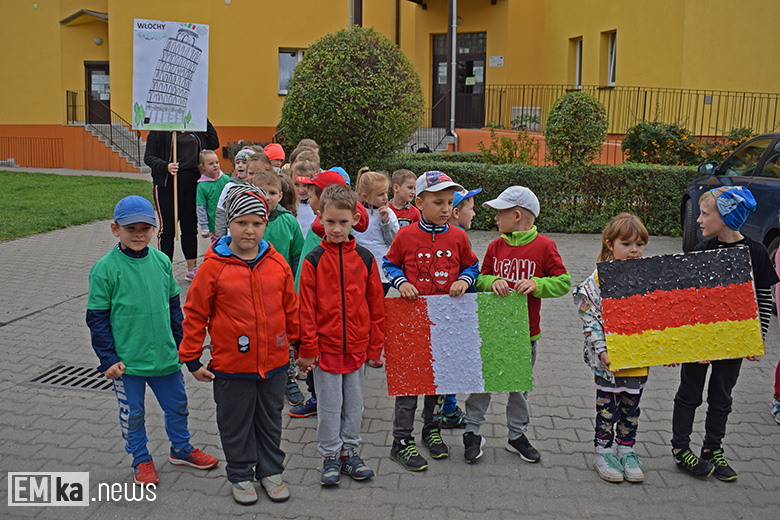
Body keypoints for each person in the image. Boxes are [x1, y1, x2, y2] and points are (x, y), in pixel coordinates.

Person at [179, 185, 300, 505]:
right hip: (232, 366)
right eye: (242, 222)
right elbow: (195, 313)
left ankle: (270, 471)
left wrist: (301, 346)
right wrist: (191, 358)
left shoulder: (277, 263)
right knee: (235, 423)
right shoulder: (213, 266)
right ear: (229, 224)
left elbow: (291, 307)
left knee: (270, 420)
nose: (250, 230)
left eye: (257, 223)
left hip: (274, 364)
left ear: (265, 224)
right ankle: (241, 473)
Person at [86, 196, 218, 487]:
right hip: (127, 362)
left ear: (154, 228)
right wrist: (107, 359)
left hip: (164, 357)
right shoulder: (104, 269)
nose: (138, 234)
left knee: (178, 406)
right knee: (133, 413)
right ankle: (141, 458)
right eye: (130, 228)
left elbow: (175, 312)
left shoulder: (161, 261)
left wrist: (188, 354)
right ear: (115, 229)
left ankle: (180, 449)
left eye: (145, 228)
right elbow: (97, 319)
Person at [671, 186, 778, 481]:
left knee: (722, 396)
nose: (699, 220)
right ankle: (681, 448)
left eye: (706, 214)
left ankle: (712, 449)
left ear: (728, 217)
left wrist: (757, 339)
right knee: (689, 394)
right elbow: (688, 301)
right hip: (699, 342)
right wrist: (686, 344)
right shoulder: (701, 251)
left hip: (734, 341)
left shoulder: (756, 253)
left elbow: (762, 298)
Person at [464, 186, 571, 465]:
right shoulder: (495, 247)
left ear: (517, 215)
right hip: (493, 331)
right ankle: (472, 431)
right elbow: (481, 278)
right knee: (482, 383)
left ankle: (516, 435)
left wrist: (537, 284)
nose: (495, 218)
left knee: (519, 389)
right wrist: (492, 282)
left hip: (526, 335)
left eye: (499, 213)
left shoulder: (545, 246)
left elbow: (563, 282)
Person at [383, 171, 480, 471]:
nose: (446, 208)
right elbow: (389, 263)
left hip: (447, 322)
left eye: (450, 202)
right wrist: (401, 282)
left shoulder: (459, 236)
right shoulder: (405, 235)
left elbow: (472, 266)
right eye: (438, 202)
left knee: (439, 380)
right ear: (420, 202)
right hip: (412, 322)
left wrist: (464, 280)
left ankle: (431, 429)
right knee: (409, 382)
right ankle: (401, 440)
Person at [297, 184, 385, 486]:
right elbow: (306, 309)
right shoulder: (313, 260)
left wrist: (375, 347)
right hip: (326, 349)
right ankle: (331, 455)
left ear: (355, 221)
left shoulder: (365, 258)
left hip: (358, 348)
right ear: (320, 217)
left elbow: (376, 305)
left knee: (354, 406)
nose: (336, 229)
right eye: (330, 221)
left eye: (343, 222)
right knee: (329, 407)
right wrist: (308, 349)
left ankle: (349, 452)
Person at [573, 213, 650, 483]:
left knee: (632, 408)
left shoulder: (648, 278)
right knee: (607, 409)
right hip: (608, 361)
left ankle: (627, 451)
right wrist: (601, 349)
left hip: (638, 360)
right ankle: (603, 451)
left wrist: (669, 348)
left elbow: (660, 316)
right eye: (626, 244)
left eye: (639, 244)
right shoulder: (597, 282)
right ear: (610, 244)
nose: (634, 250)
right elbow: (590, 318)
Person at [251, 169, 306, 407]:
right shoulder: (248, 221)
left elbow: (297, 256)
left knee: (284, 337)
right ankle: (256, 373)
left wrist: (294, 287)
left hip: (282, 292)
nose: (267, 197)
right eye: (261, 192)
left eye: (272, 193)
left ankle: (287, 379)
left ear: (281, 195)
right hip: (251, 291)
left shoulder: (289, 221)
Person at [144, 120, 219, 281]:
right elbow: (148, 157)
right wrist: (166, 166)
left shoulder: (194, 126)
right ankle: (165, 270)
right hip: (167, 184)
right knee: (168, 229)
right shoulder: (159, 130)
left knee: (190, 227)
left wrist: (201, 116)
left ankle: (191, 269)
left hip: (192, 183)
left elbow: (214, 142)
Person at [353, 169, 399, 300]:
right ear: (365, 196)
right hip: (358, 267)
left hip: (380, 268)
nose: (385, 197)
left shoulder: (389, 213)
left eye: (386, 193)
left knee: (377, 302)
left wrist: (386, 222)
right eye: (380, 194)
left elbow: (394, 241)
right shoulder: (355, 212)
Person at [213, 148, 255, 240]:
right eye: (237, 162)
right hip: (233, 236)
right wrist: (220, 236)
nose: (240, 165)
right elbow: (221, 211)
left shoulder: (257, 187)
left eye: (244, 162)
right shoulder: (229, 187)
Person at [196, 150, 230, 241]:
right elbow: (201, 207)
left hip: (229, 222)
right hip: (214, 225)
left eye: (217, 162)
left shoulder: (226, 179)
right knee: (218, 246)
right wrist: (204, 226)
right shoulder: (202, 185)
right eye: (211, 163)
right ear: (203, 166)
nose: (215, 165)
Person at [292, 157, 319, 238]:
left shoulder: (317, 206)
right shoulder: (290, 204)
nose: (301, 190)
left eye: (305, 185)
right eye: (296, 185)